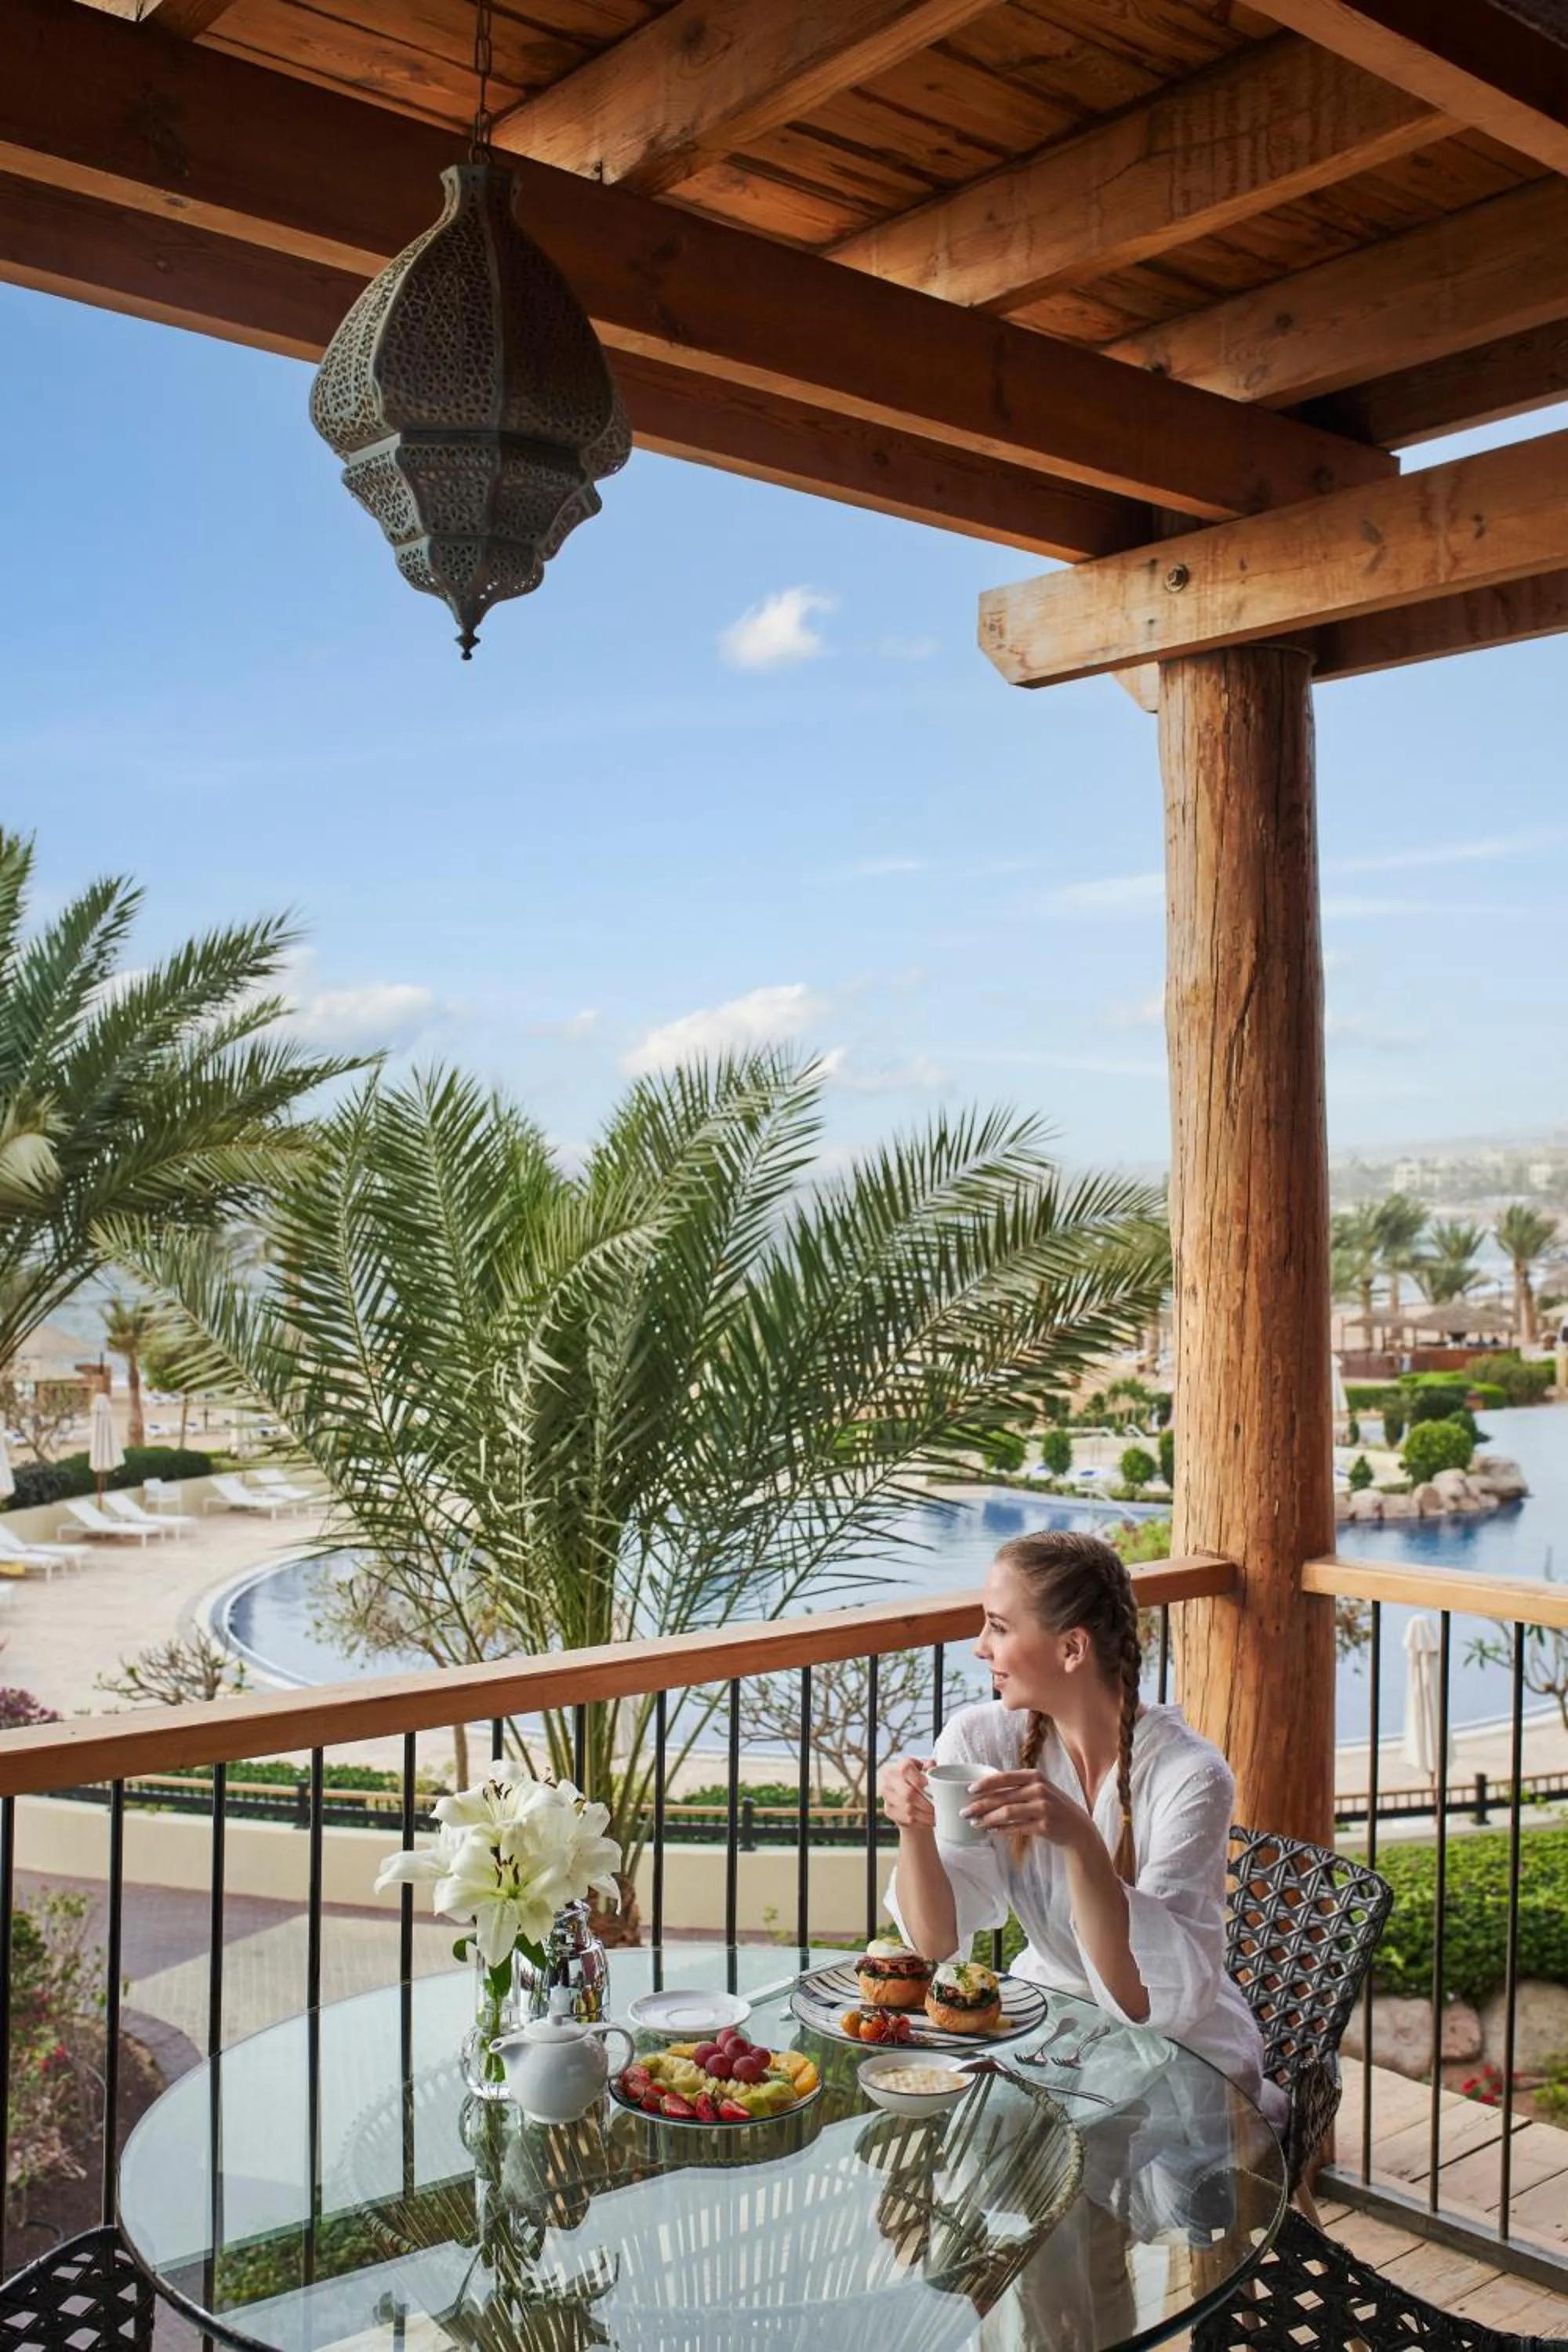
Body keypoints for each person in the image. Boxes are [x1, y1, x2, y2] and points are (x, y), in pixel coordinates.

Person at [879, 1528, 1282, 2123]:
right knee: (951, 2118)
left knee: (1051, 2148)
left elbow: (1145, 2000)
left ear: (1072, 1649)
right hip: (1050, 2014)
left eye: (999, 1626)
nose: (978, 1647)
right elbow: (937, 1944)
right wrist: (912, 1824)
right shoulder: (981, 1739)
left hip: (1181, 2046)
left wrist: (1080, 1843)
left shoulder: (1190, 1776)